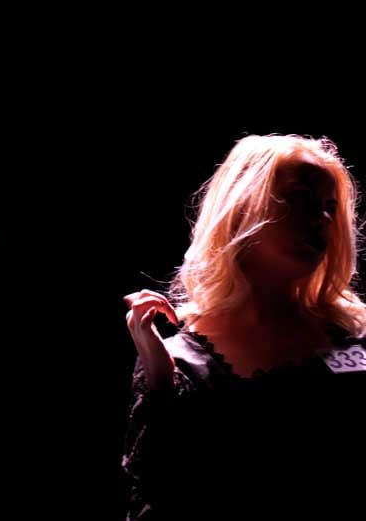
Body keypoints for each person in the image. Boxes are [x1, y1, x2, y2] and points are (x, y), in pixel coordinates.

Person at [122, 134, 366, 519]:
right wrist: (160, 384)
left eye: (329, 207)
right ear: (242, 205)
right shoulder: (179, 363)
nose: (322, 219)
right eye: (301, 198)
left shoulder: (356, 334)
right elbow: (161, 495)